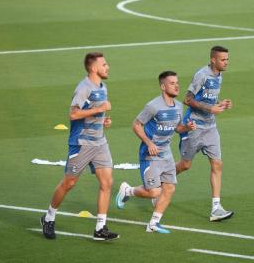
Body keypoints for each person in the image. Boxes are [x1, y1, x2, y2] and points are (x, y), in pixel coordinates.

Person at [40, 52, 118, 241]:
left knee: (107, 183)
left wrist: (103, 120)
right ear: (94, 68)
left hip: (100, 142)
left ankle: (100, 228)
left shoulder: (102, 86)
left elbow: (93, 114)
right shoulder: (84, 88)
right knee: (69, 183)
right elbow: (73, 115)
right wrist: (100, 109)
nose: (108, 67)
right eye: (104, 64)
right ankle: (49, 217)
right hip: (81, 143)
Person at [115, 71, 196, 233]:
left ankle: (153, 223)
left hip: (166, 154)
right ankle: (127, 190)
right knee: (154, 192)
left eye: (177, 82)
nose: (177, 85)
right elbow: (136, 125)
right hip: (149, 154)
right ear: (162, 86)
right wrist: (149, 142)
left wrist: (186, 127)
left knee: (169, 188)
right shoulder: (153, 106)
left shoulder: (179, 106)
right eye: (172, 83)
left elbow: (177, 128)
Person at [176, 46, 234, 222]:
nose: (226, 62)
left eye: (227, 59)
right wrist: (210, 108)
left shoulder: (219, 76)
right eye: (223, 59)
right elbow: (187, 99)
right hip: (194, 126)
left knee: (217, 164)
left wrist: (220, 103)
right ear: (213, 60)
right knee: (185, 165)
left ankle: (216, 208)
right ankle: (159, 183)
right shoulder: (202, 75)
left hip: (210, 127)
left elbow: (208, 98)